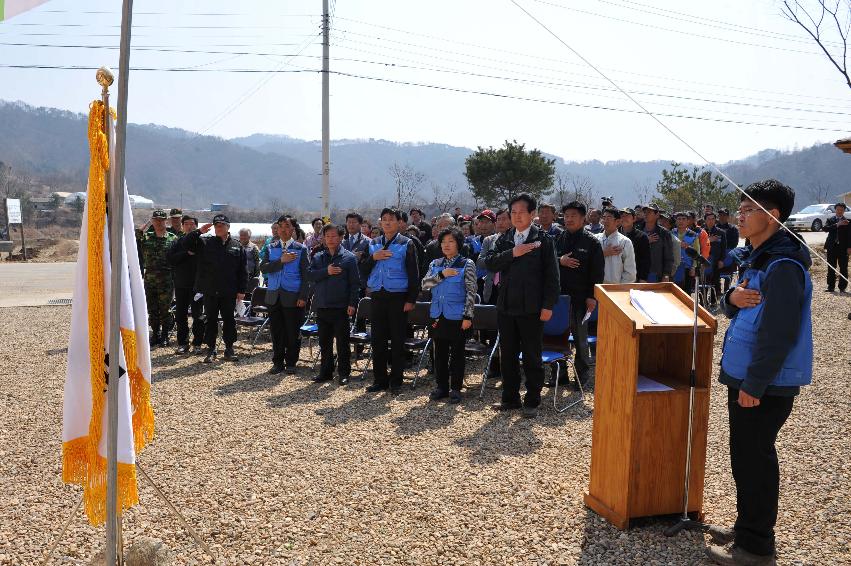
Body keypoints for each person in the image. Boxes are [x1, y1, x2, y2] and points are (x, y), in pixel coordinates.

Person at [706, 180, 813, 566]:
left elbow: (780, 332)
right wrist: (729, 299)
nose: (740, 216)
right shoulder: (758, 257)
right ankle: (746, 527)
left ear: (773, 215)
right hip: (746, 375)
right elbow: (738, 302)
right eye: (740, 208)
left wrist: (755, 383)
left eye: (749, 209)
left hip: (764, 383)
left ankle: (755, 547)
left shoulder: (783, 265)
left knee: (755, 460)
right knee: (744, 457)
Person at [484, 193, 560, 419]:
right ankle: (510, 398)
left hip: (532, 307)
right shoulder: (505, 238)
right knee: (507, 354)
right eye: (513, 212)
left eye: (521, 212)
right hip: (506, 306)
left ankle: (532, 400)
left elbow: (552, 277)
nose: (516, 216)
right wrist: (513, 253)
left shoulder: (544, 240)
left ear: (532, 214)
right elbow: (489, 262)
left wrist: (548, 306)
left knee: (531, 356)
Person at [362, 208, 420, 394]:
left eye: (391, 220)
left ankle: (396, 381)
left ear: (399, 223)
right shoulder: (373, 244)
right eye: (384, 219)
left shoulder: (407, 243)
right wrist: (373, 257)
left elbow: (414, 274)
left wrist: (411, 299)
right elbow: (362, 269)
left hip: (398, 297)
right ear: (380, 222)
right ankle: (380, 380)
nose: (387, 223)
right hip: (377, 296)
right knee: (377, 340)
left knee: (397, 340)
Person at [421, 227, 477, 404]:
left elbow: (471, 291)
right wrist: (441, 275)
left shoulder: (466, 263)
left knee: (458, 353)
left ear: (458, 244)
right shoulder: (435, 264)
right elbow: (425, 285)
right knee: (440, 353)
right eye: (443, 242)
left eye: (451, 241)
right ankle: (441, 387)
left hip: (457, 315)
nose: (446, 245)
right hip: (438, 314)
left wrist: (468, 316)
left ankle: (455, 388)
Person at [185, 214, 247, 363]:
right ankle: (211, 349)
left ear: (228, 227)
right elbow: (186, 244)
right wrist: (199, 231)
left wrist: (242, 290)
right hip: (210, 290)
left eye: (222, 225)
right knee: (211, 320)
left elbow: (242, 271)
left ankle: (229, 349)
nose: (219, 228)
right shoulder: (205, 242)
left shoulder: (236, 246)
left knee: (229, 320)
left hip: (229, 290)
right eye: (216, 225)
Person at [555, 202, 604, 385]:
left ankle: (582, 376)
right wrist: (561, 260)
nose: (568, 219)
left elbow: (597, 272)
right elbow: (549, 261)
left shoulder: (592, 242)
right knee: (557, 336)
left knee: (580, 340)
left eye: (573, 215)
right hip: (559, 299)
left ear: (583, 219)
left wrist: (592, 297)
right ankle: (560, 375)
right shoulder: (559, 238)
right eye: (566, 215)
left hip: (581, 299)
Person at [307, 224, 360, 385]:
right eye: (327, 236)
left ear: (341, 237)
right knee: (324, 342)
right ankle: (326, 372)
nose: (330, 239)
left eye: (333, 236)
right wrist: (326, 271)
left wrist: (352, 303)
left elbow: (355, 283)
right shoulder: (318, 257)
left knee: (342, 343)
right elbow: (309, 275)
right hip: (322, 305)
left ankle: (344, 373)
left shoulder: (349, 258)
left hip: (341, 307)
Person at [260, 215, 311, 375]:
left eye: (287, 226)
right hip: (274, 295)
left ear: (292, 229)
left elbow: (306, 276)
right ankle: (277, 361)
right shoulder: (271, 247)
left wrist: (303, 297)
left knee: (292, 331)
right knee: (276, 331)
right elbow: (264, 269)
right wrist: (281, 261)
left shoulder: (300, 249)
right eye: (280, 226)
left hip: (293, 295)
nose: (283, 229)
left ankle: (291, 362)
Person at [136, 209, 178, 347]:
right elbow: (135, 235)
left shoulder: (173, 238)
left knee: (165, 309)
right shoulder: (146, 237)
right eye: (156, 220)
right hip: (150, 277)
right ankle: (156, 334)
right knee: (152, 308)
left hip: (166, 277)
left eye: (162, 220)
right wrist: (148, 222)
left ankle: (165, 335)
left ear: (166, 221)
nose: (159, 223)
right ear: (153, 221)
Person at [167, 215, 205, 354]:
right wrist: (186, 253)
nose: (189, 226)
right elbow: (171, 259)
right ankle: (183, 343)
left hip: (197, 286)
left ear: (196, 226)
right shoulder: (177, 242)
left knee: (198, 316)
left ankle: (198, 343)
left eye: (192, 224)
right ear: (182, 226)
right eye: (187, 224)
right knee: (180, 315)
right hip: (181, 284)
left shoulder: (202, 242)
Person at [596, 208, 636, 284]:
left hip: (615, 288)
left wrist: (619, 289)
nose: (605, 221)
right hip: (595, 286)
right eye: (604, 218)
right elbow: (586, 260)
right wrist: (603, 253)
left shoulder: (624, 242)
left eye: (609, 218)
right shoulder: (595, 239)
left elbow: (630, 272)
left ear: (617, 221)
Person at [641, 204, 674, 282]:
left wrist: (666, 274)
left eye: (649, 212)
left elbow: (669, 256)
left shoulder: (664, 233)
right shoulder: (638, 231)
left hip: (656, 274)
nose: (646, 214)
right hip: (638, 274)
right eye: (645, 212)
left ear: (657, 215)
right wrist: (645, 241)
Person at [823, 202, 849, 293]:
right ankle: (831, 287)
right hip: (831, 247)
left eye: (841, 210)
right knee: (831, 267)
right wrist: (837, 224)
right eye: (838, 209)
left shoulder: (847, 221)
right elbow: (825, 229)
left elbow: (850, 236)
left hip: (843, 248)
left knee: (843, 268)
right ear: (835, 210)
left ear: (844, 211)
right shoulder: (830, 220)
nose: (839, 211)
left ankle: (842, 287)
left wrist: (849, 247)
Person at [703, 211, 728, 303]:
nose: (711, 221)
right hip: (703, 260)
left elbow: (723, 248)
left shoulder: (721, 232)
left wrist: (721, 260)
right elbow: (698, 245)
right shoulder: (700, 232)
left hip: (716, 260)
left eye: (713, 219)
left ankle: (713, 301)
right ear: (705, 220)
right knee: (704, 281)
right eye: (708, 219)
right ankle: (703, 301)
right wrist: (709, 240)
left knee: (715, 281)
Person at [673, 211, 700, 293]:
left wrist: (693, 267)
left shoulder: (693, 235)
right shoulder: (671, 233)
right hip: (674, 268)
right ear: (676, 221)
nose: (681, 221)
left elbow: (696, 252)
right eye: (679, 219)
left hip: (687, 268)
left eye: (684, 219)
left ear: (688, 221)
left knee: (686, 293)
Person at [619, 208, 649, 282]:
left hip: (634, 277)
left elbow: (646, 260)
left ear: (634, 218)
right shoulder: (613, 233)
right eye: (622, 216)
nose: (624, 218)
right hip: (614, 276)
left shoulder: (642, 236)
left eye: (627, 216)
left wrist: (643, 278)